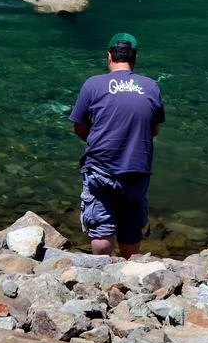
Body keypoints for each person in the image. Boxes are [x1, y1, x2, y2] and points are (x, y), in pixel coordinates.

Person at [69, 32, 165, 258]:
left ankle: (101, 273)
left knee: (101, 228)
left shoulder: (93, 85)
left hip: (101, 168)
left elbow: (79, 127)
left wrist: (97, 140)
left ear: (109, 55)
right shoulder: (151, 87)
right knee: (131, 229)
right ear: (135, 57)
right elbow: (154, 130)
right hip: (137, 169)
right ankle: (127, 274)